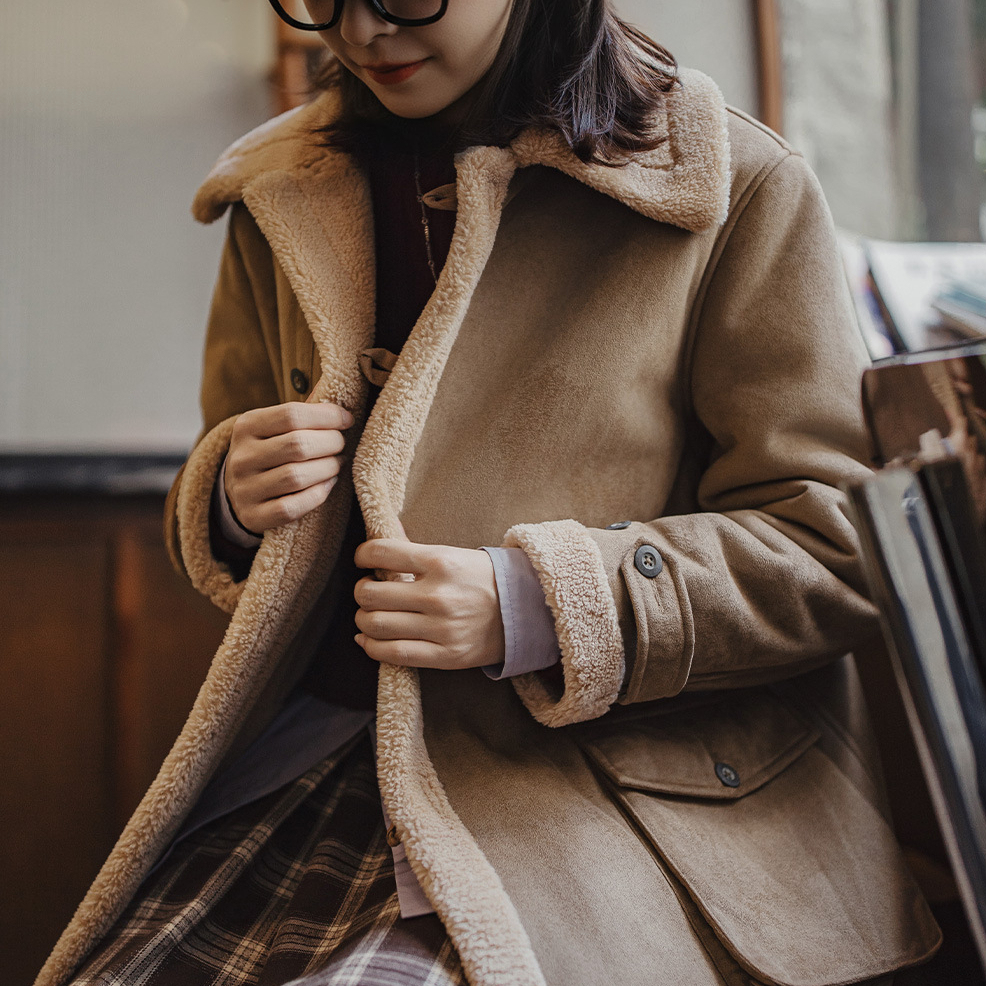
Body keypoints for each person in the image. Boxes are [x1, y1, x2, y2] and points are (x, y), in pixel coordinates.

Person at [38, 1, 941, 984]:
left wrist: (535, 601)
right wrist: (229, 498)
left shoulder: (739, 183)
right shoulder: (275, 188)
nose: (361, 33)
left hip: (622, 794)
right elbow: (230, 500)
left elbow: (835, 544)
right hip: (312, 766)